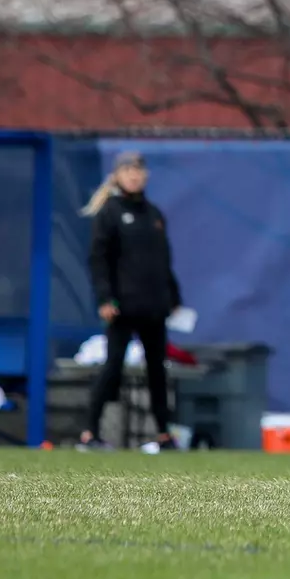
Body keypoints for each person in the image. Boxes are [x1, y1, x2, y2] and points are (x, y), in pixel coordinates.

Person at [79, 150, 183, 452]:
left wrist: (173, 297)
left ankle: (164, 435)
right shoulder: (110, 212)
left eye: (139, 170)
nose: (134, 175)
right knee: (113, 367)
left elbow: (163, 261)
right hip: (122, 306)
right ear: (117, 175)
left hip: (153, 306)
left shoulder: (154, 215)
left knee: (157, 372)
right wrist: (105, 298)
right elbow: (98, 259)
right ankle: (89, 433)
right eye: (128, 170)